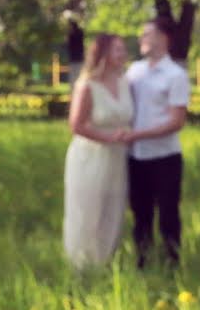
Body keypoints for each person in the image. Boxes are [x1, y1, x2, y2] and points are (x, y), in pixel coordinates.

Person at [121, 18, 190, 267]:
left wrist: (138, 135)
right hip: (135, 157)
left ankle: (173, 263)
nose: (142, 39)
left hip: (165, 157)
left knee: (168, 214)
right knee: (140, 213)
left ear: (163, 38)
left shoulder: (176, 75)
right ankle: (143, 262)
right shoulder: (134, 71)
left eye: (147, 34)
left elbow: (176, 121)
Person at [62, 33, 133, 269]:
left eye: (123, 50)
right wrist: (107, 137)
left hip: (117, 156)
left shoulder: (125, 82)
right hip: (90, 155)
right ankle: (80, 264)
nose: (122, 55)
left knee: (112, 209)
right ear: (102, 54)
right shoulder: (87, 85)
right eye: (117, 50)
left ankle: (104, 261)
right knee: (86, 210)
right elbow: (76, 125)